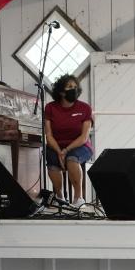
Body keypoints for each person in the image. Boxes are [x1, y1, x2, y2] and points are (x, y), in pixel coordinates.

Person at [44, 74, 94, 203]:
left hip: (80, 146)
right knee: (52, 161)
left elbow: (84, 137)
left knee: (72, 159)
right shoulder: (50, 108)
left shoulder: (85, 108)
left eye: (76, 87)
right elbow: (48, 135)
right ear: (61, 92)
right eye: (70, 87)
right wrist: (59, 151)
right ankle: (60, 196)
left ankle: (78, 198)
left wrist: (66, 150)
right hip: (56, 145)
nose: (74, 89)